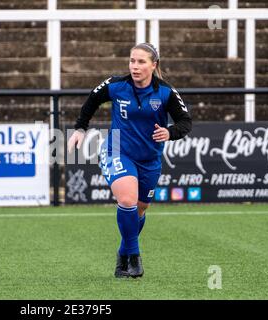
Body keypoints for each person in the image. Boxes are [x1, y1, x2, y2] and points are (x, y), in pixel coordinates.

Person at [67, 43, 192, 278]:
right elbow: (92, 100)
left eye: (141, 62)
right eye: (132, 61)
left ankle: (123, 254)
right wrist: (80, 129)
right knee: (127, 199)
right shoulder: (116, 85)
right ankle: (134, 258)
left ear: (153, 65)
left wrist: (170, 132)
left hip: (149, 158)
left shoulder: (165, 92)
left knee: (140, 210)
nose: (135, 66)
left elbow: (186, 122)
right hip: (117, 149)